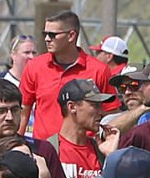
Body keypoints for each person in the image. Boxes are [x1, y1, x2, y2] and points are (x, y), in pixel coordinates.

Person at [20, 11, 112, 141]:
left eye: (52, 35)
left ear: (71, 36)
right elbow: (23, 112)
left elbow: (110, 114)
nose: (47, 39)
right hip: (44, 153)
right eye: (45, 34)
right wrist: (14, 147)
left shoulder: (99, 70)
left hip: (85, 152)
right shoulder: (34, 67)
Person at [53, 78, 112, 178]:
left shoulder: (99, 150)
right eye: (94, 105)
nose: (101, 112)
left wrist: (111, 156)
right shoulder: (50, 150)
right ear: (72, 107)